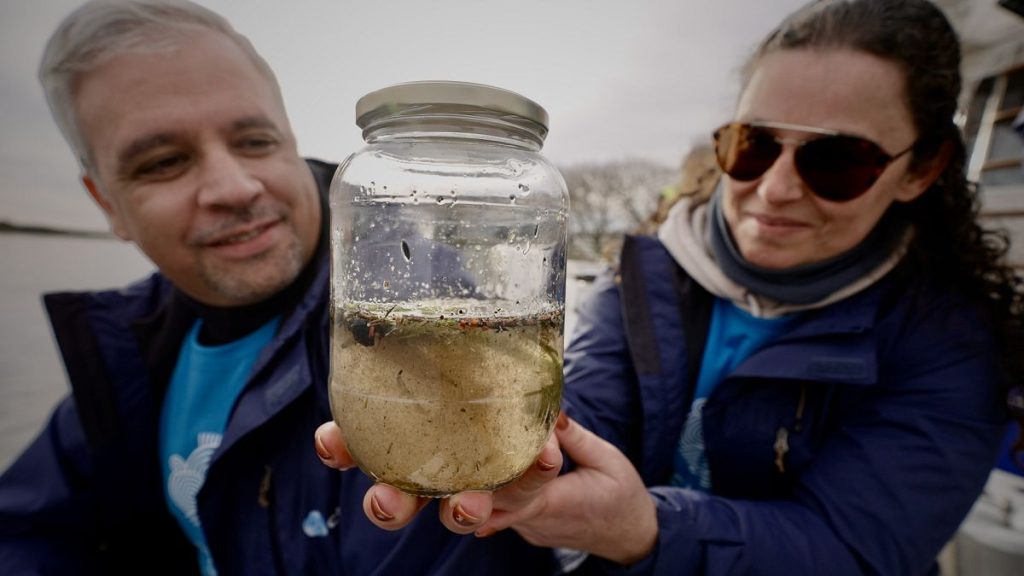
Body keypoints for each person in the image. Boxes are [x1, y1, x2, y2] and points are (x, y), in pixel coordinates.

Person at [316, 0, 1024, 574]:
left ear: (921, 170)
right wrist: (506, 455)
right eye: (751, 145)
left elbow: (857, 548)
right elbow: (573, 413)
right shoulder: (646, 275)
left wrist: (644, 530)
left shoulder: (955, 343)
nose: (774, 189)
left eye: (837, 160)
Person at [0, 1, 561, 574]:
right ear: (105, 203)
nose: (233, 186)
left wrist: (574, 512)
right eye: (164, 162)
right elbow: (26, 529)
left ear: (291, 138)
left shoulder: (440, 309)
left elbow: (534, 437)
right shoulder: (125, 348)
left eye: (254, 141)